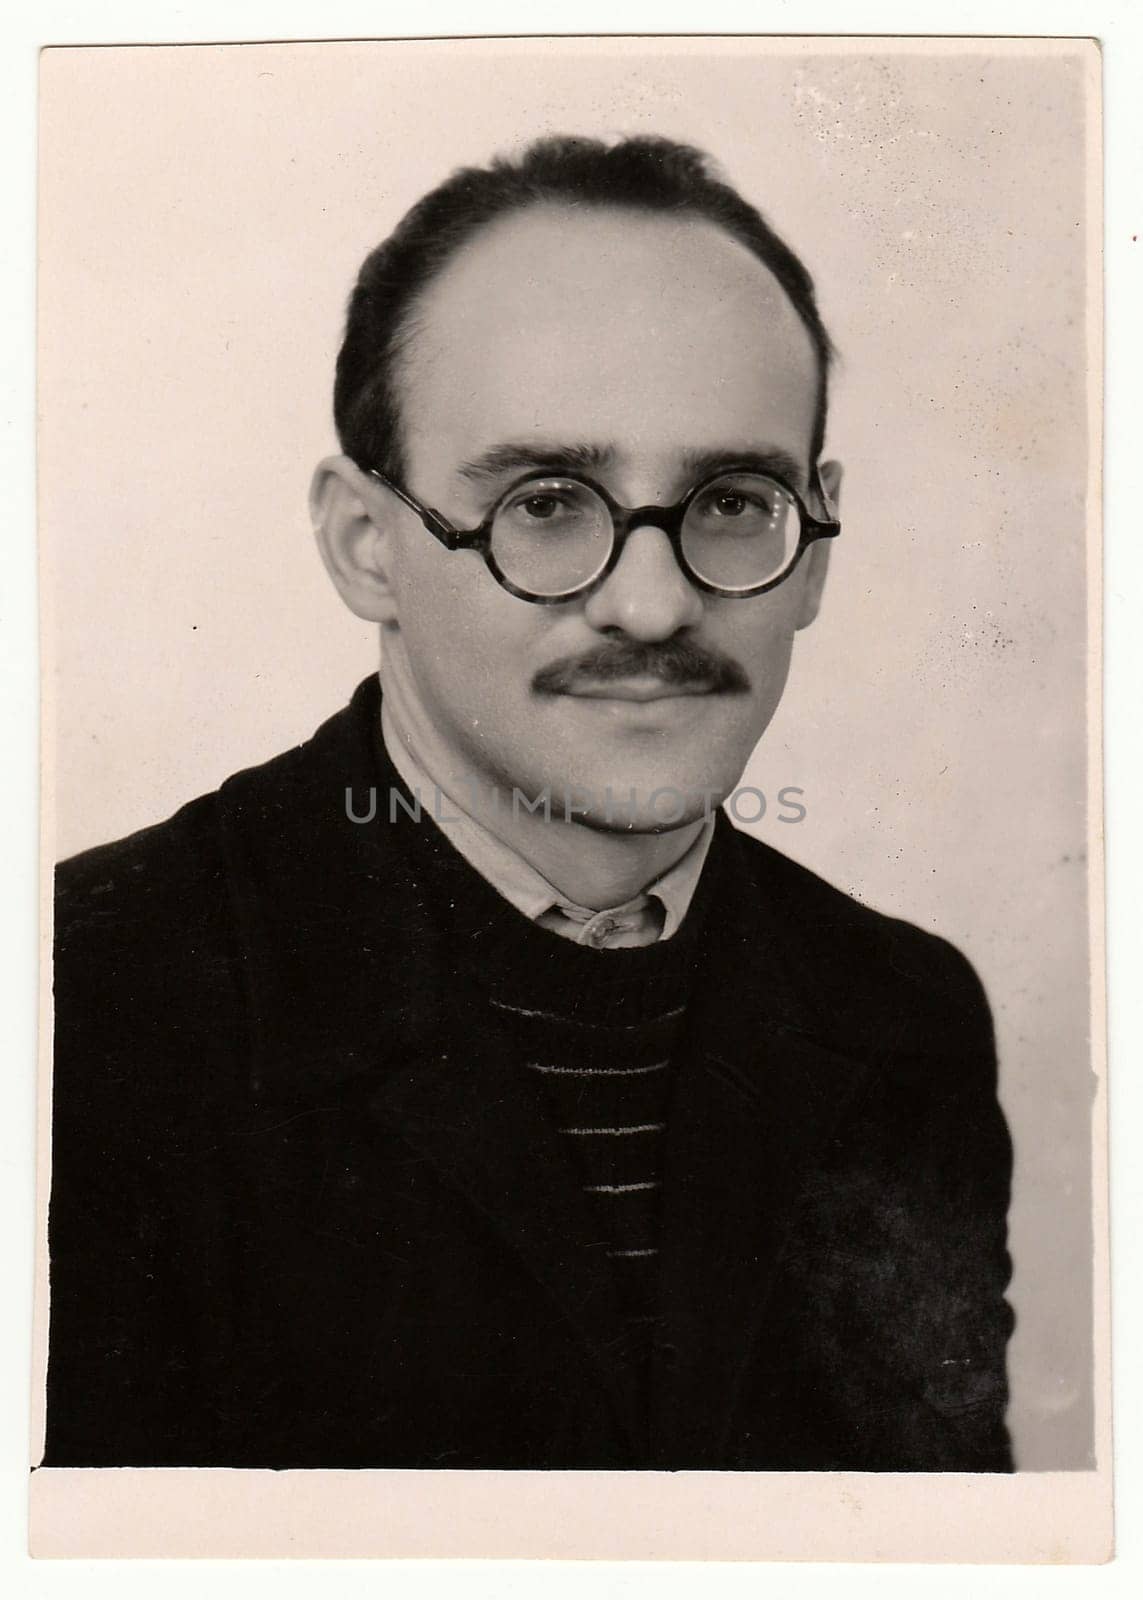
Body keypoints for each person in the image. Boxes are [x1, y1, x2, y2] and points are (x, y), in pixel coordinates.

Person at [45, 135, 1015, 1471]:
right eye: (548, 503)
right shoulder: (79, 995)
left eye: (734, 501)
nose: (654, 604)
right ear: (364, 545)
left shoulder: (905, 1017)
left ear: (815, 550)